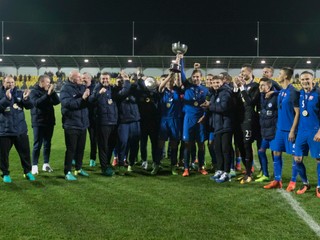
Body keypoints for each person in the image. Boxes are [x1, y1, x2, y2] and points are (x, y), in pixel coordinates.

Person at [264, 67, 300, 190]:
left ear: (285, 76)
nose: (277, 76)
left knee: (296, 156)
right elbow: (281, 94)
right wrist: (274, 92)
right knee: (276, 152)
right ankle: (277, 180)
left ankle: (293, 181)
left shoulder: (293, 92)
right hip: (279, 129)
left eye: (280, 74)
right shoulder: (283, 91)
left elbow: (298, 113)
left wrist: (292, 130)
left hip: (290, 130)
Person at [89, 72, 130, 176]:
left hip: (113, 122)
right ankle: (104, 167)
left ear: (110, 79)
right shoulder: (96, 89)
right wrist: (99, 94)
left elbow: (123, 93)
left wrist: (127, 81)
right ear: (100, 79)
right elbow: (90, 100)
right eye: (103, 79)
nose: (105, 80)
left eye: (107, 79)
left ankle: (107, 163)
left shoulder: (112, 89)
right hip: (102, 123)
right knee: (103, 146)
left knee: (111, 145)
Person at [0, 76, 35, 183]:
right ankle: (5, 173)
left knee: (25, 153)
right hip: (5, 130)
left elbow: (30, 106)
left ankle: (27, 172)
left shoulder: (19, 93)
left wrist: (26, 99)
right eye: (8, 82)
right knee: (3, 155)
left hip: (20, 129)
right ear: (3, 82)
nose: (10, 84)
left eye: (12, 82)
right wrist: (7, 99)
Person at [180, 56, 209, 177]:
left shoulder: (206, 90)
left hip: (201, 120)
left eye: (198, 76)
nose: (196, 78)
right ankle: (186, 168)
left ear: (201, 78)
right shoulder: (187, 86)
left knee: (201, 144)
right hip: (188, 119)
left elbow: (208, 105)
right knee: (187, 143)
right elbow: (181, 74)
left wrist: (205, 115)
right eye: (194, 76)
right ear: (191, 77)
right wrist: (181, 60)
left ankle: (201, 167)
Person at [60, 70, 90, 181]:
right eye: (78, 77)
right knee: (71, 149)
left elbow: (90, 100)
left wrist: (88, 86)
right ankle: (67, 171)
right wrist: (82, 99)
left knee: (80, 149)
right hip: (71, 124)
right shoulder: (65, 89)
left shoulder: (81, 87)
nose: (81, 79)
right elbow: (68, 104)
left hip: (83, 124)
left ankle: (78, 168)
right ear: (72, 78)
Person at [292, 71, 319, 196]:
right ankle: (305, 183)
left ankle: (319, 186)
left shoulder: (318, 93)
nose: (304, 81)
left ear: (313, 79)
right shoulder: (300, 93)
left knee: (319, 159)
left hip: (315, 131)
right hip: (302, 132)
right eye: (302, 79)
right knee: (297, 159)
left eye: (307, 79)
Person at [202, 75, 233, 182]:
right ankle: (220, 170)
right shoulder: (213, 94)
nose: (215, 84)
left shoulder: (225, 93)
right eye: (214, 82)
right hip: (217, 126)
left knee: (225, 150)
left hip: (226, 126)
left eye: (217, 82)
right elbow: (213, 108)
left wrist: (210, 106)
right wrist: (206, 107)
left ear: (222, 82)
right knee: (218, 149)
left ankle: (227, 172)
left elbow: (223, 107)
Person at [233, 64, 260, 184]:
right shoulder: (242, 86)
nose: (242, 73)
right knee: (239, 145)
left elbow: (250, 103)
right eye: (241, 71)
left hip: (248, 120)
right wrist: (236, 87)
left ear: (250, 72)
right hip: (238, 119)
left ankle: (249, 173)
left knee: (247, 145)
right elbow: (235, 101)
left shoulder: (255, 86)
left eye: (244, 71)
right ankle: (246, 171)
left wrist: (242, 87)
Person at [30, 74, 60, 174]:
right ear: (41, 82)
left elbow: (57, 102)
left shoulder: (49, 91)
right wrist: (47, 94)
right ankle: (34, 166)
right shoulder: (33, 91)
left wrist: (53, 92)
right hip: (38, 122)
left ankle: (45, 164)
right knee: (37, 144)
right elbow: (37, 103)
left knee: (47, 144)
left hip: (49, 121)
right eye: (47, 82)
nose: (49, 84)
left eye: (49, 82)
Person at [157, 71, 183, 175]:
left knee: (174, 145)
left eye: (171, 81)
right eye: (167, 81)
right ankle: (157, 164)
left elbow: (180, 83)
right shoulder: (162, 91)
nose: (169, 82)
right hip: (164, 120)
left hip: (175, 120)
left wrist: (177, 72)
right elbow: (161, 86)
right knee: (160, 143)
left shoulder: (177, 90)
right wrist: (169, 75)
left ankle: (173, 166)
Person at [255, 77, 278, 182]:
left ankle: (277, 175)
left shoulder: (275, 96)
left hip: (274, 131)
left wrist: (275, 92)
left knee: (276, 154)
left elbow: (284, 92)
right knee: (261, 151)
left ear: (269, 86)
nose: (261, 87)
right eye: (260, 85)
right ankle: (265, 174)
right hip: (265, 131)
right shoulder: (263, 96)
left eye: (263, 85)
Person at [82, 72, 97, 167]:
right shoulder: (79, 87)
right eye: (83, 78)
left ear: (90, 79)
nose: (84, 79)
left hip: (92, 118)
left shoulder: (95, 88)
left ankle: (93, 158)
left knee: (93, 140)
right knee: (79, 140)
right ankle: (76, 158)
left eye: (86, 78)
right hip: (81, 118)